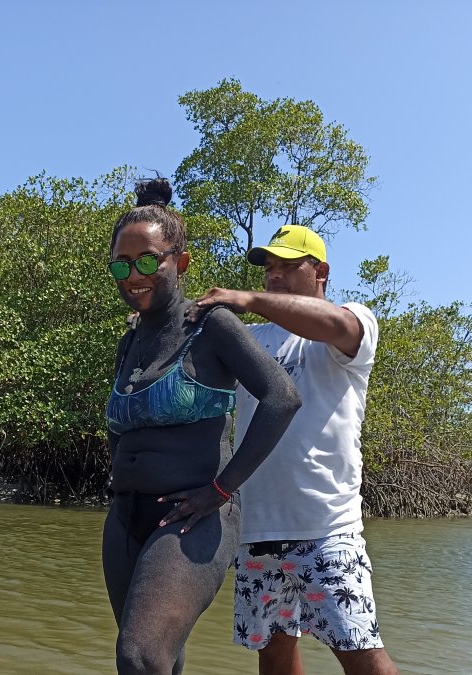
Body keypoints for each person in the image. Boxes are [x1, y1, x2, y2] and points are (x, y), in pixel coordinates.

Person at [102, 178, 302, 675]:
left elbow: (282, 398)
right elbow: (121, 426)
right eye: (121, 265)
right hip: (126, 519)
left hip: (193, 518)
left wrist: (222, 488)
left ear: (180, 262)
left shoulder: (210, 326)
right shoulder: (129, 342)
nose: (134, 275)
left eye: (148, 260)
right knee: (161, 661)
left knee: (140, 656)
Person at [188, 225, 399, 675]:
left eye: (287, 266)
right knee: (275, 654)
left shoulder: (351, 325)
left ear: (320, 271)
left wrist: (247, 299)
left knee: (363, 656)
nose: (274, 276)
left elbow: (335, 324)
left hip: (327, 529)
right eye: (268, 269)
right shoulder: (252, 339)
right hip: (255, 528)